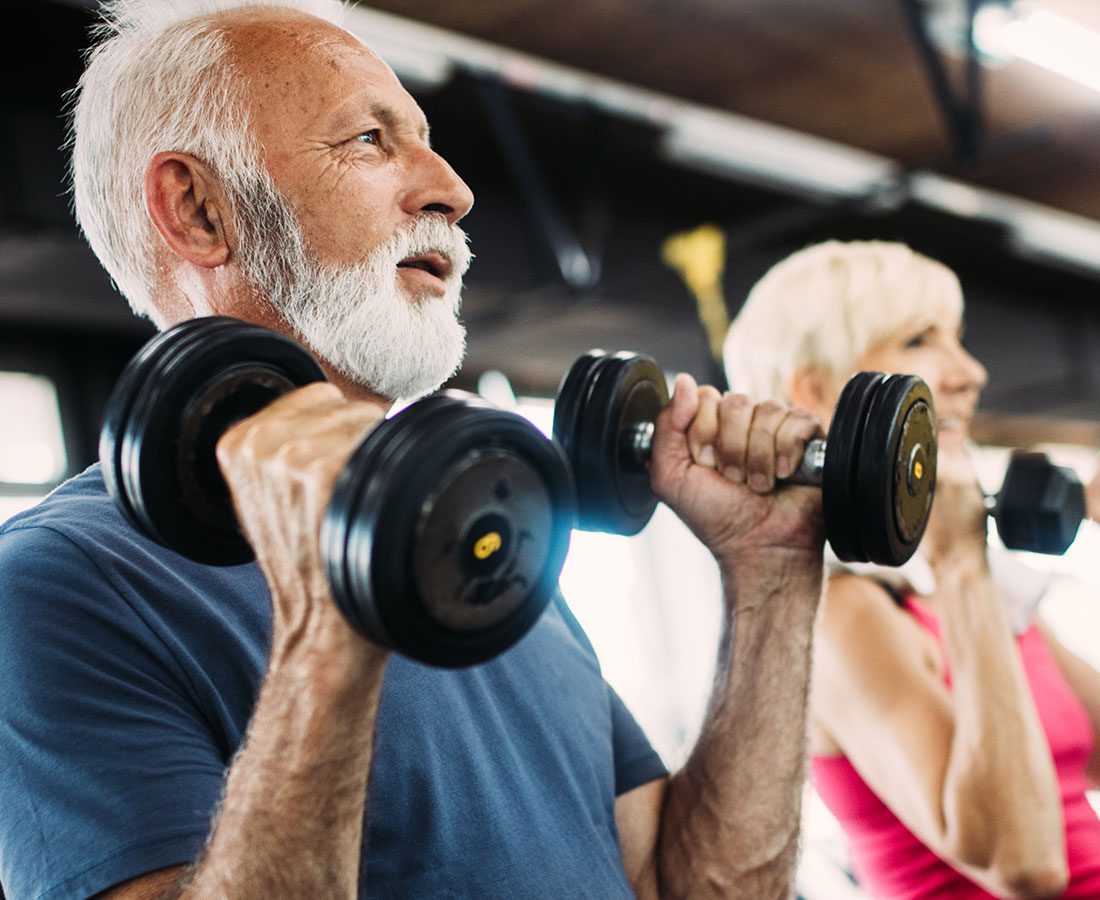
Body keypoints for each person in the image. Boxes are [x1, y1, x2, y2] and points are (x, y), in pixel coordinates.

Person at [0, 1, 831, 897]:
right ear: (199, 210)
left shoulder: (484, 534)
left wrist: (771, 573)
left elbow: (695, 890)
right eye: (366, 139)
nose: (452, 188)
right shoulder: (56, 586)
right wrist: (333, 624)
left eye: (426, 140)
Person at [724, 239, 1100, 898]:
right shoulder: (843, 616)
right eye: (920, 340)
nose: (971, 372)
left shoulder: (985, 596)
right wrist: (960, 565)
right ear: (817, 390)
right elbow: (1026, 864)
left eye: (958, 338)